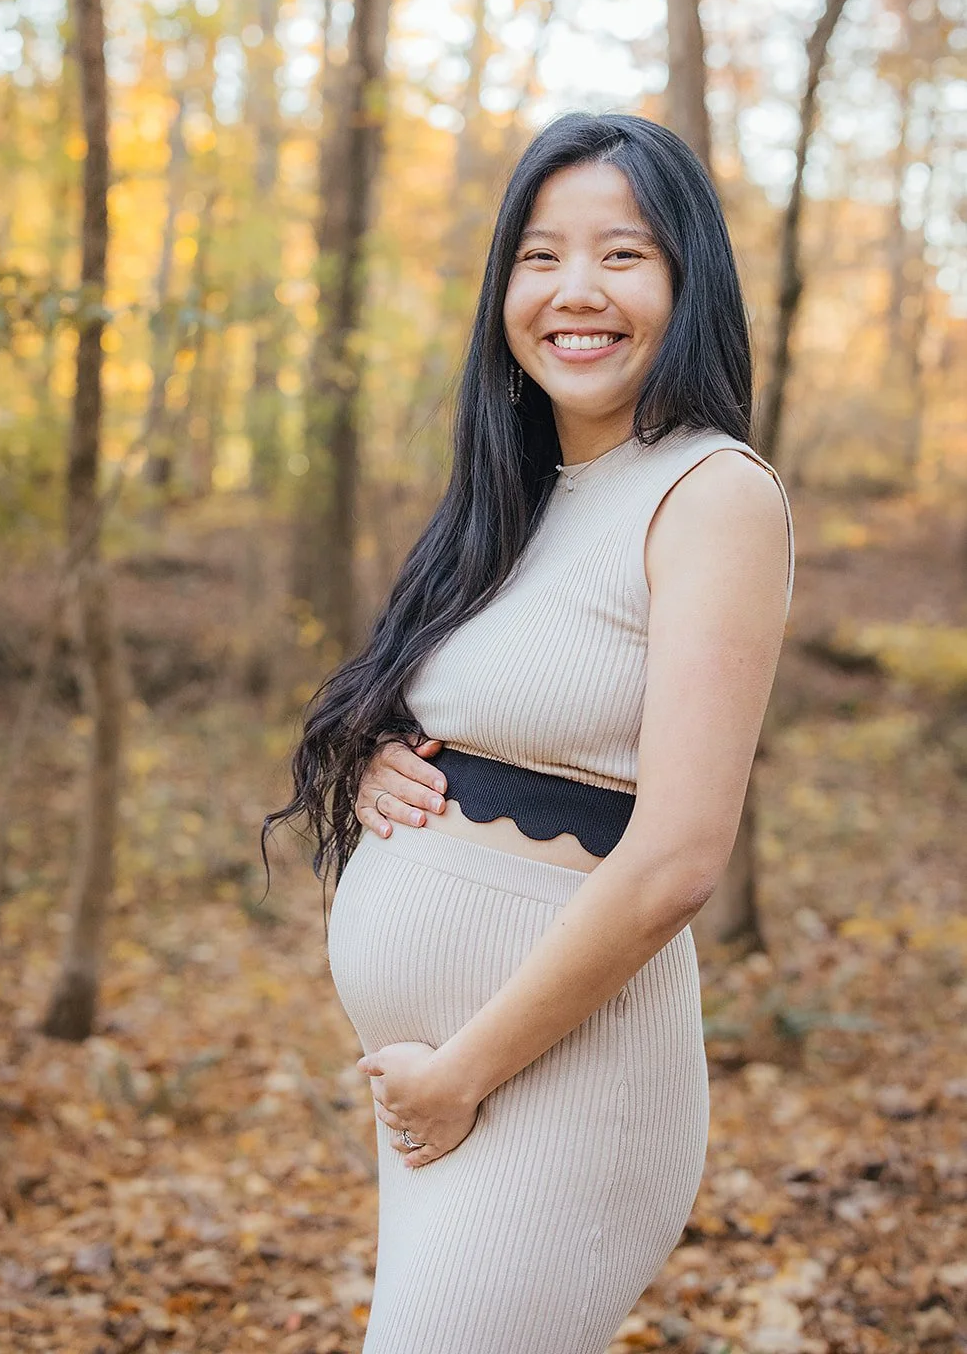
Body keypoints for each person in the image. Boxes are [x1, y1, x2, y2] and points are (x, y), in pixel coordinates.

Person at [263, 111, 794, 1352]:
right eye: (539, 255)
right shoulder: (515, 497)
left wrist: (462, 1070)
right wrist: (389, 755)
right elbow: (494, 710)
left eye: (622, 255)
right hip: (447, 1084)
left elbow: (674, 857)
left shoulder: (710, 494)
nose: (573, 291)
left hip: (556, 1082)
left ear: (687, 281)